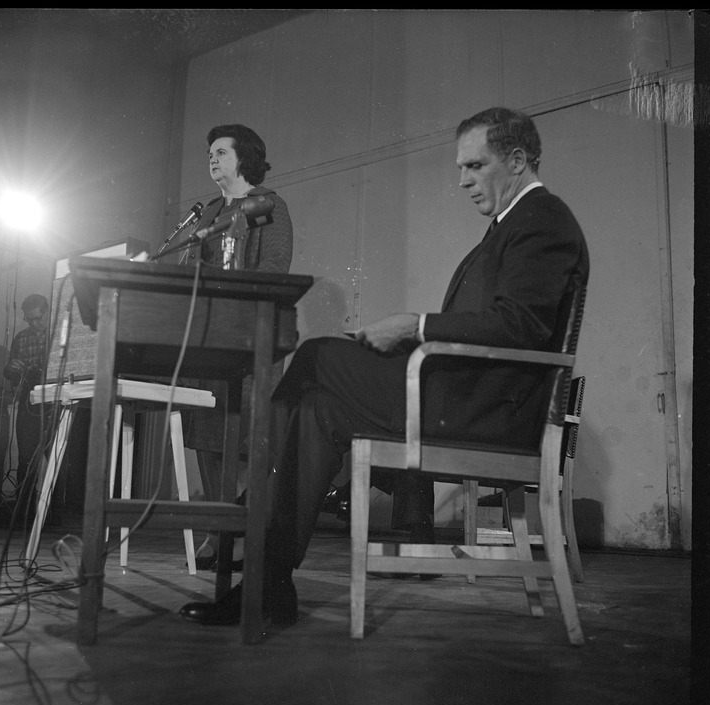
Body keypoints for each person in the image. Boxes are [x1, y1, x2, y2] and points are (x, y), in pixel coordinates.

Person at [179, 106, 590, 626]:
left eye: (474, 166)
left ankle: (254, 496)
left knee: (316, 356)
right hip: (465, 396)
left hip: (484, 412)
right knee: (317, 411)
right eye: (460, 167)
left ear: (516, 159)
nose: (462, 180)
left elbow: (520, 327)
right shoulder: (512, 225)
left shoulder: (542, 219)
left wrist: (413, 326)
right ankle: (268, 584)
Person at [181, 124, 294, 570]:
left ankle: (248, 532)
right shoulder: (207, 213)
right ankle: (218, 527)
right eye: (209, 152)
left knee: (248, 436)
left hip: (250, 339)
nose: (212, 158)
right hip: (206, 340)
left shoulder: (268, 205)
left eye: (221, 151)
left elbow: (274, 269)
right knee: (207, 436)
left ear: (244, 157)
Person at [3, 293, 51, 522]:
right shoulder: (21, 338)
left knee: (55, 458)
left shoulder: (61, 336)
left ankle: (52, 514)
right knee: (26, 459)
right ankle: (25, 513)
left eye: (37, 319)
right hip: (28, 401)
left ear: (48, 312)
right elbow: (11, 374)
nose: (33, 324)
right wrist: (12, 368)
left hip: (57, 402)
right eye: (29, 319)